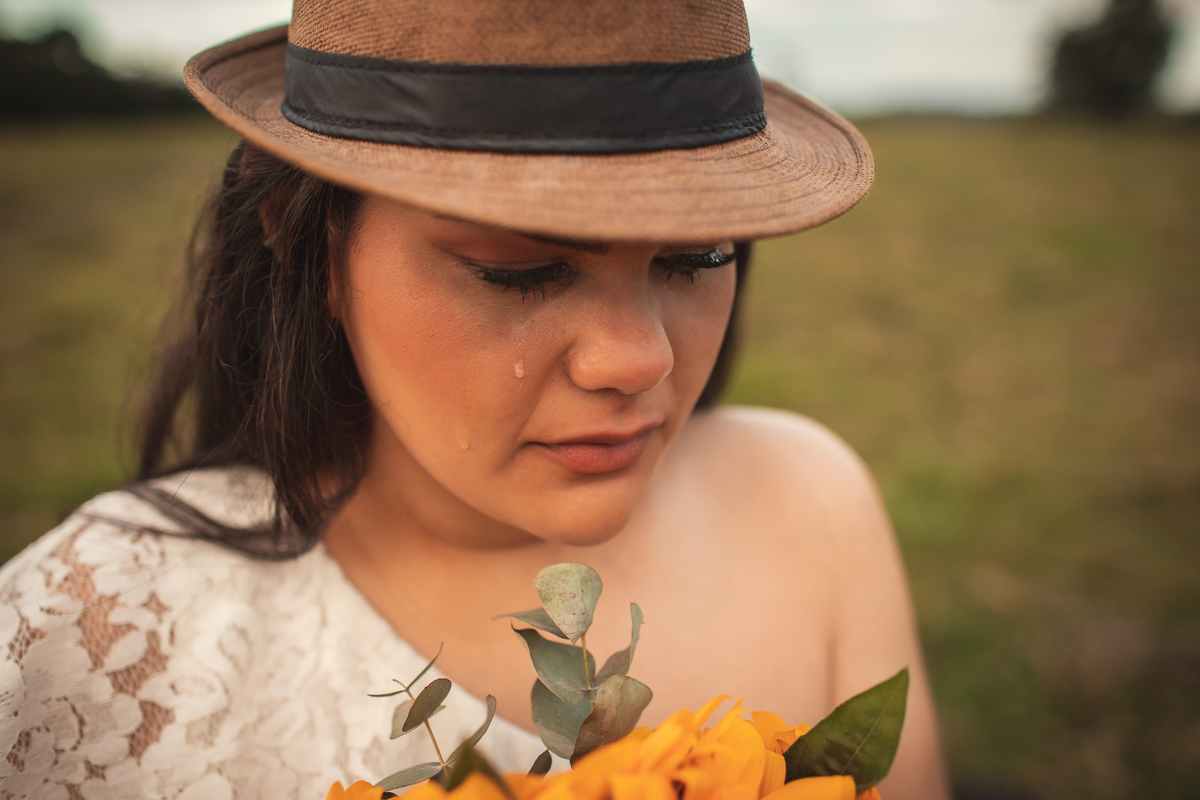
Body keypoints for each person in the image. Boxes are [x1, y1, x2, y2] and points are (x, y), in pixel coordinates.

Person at [0, 1, 950, 798]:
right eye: (523, 270)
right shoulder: (86, 639)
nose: (639, 359)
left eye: (700, 256)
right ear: (305, 242)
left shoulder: (809, 504)